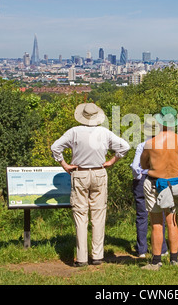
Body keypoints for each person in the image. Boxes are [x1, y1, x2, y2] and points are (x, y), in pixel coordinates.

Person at [51, 103, 130, 267]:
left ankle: (81, 258)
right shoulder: (104, 132)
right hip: (99, 172)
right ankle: (97, 256)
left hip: (80, 173)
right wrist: (112, 161)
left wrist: (64, 164)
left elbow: (55, 147)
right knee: (98, 215)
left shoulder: (74, 132)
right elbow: (125, 146)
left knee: (80, 216)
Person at [140, 106, 178, 270]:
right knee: (172, 221)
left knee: (157, 223)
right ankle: (174, 259)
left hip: (154, 183)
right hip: (174, 184)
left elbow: (143, 164)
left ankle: (156, 261)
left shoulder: (150, 143)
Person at [130, 117, 168, 258]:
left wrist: (138, 177)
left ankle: (142, 250)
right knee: (160, 215)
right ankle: (162, 249)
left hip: (143, 179)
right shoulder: (165, 145)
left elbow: (135, 166)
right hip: (160, 179)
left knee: (142, 215)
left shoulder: (142, 145)